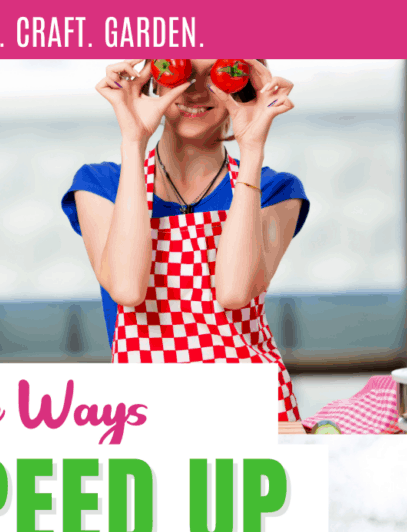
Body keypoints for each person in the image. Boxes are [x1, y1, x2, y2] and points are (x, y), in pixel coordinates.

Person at [62, 59, 310, 422]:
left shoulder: (274, 190)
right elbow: (128, 289)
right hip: (145, 411)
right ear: (153, 79)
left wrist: (252, 147)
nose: (195, 91)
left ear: (244, 83)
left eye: (218, 74)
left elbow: (234, 292)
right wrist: (133, 140)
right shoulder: (101, 186)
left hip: (250, 408)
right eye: (180, 72)